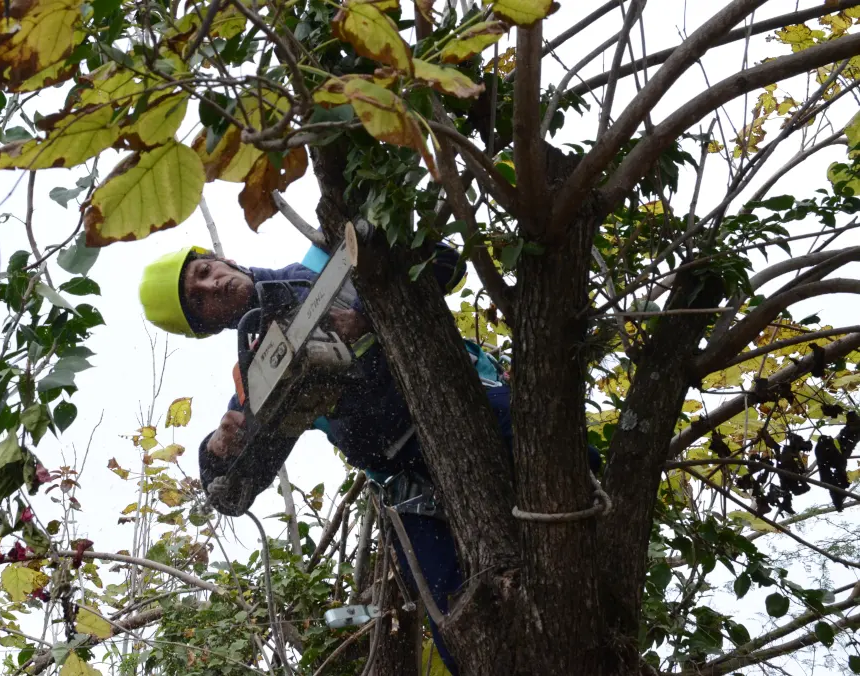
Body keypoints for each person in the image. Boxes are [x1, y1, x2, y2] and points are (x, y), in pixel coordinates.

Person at [139, 243, 600, 674]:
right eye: (199, 302)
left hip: (465, 402)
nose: (212, 285)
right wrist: (218, 448)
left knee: (572, 461)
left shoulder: (326, 262)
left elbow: (445, 263)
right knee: (457, 624)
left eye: (204, 271)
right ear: (208, 326)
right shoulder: (258, 374)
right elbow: (230, 495)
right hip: (409, 485)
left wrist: (368, 311)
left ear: (220, 258)